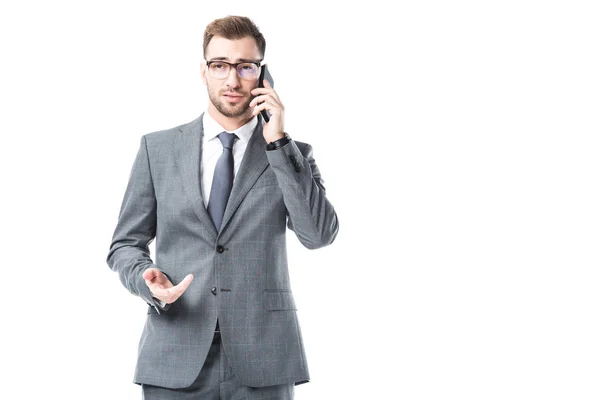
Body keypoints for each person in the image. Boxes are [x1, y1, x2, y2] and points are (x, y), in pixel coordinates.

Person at [106, 15, 339, 399]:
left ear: (264, 76)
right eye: (220, 66)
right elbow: (124, 245)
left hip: (264, 356)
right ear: (204, 72)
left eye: (245, 66)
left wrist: (278, 140)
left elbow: (318, 236)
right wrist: (146, 277)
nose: (232, 80)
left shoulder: (291, 154)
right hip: (174, 354)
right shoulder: (157, 149)